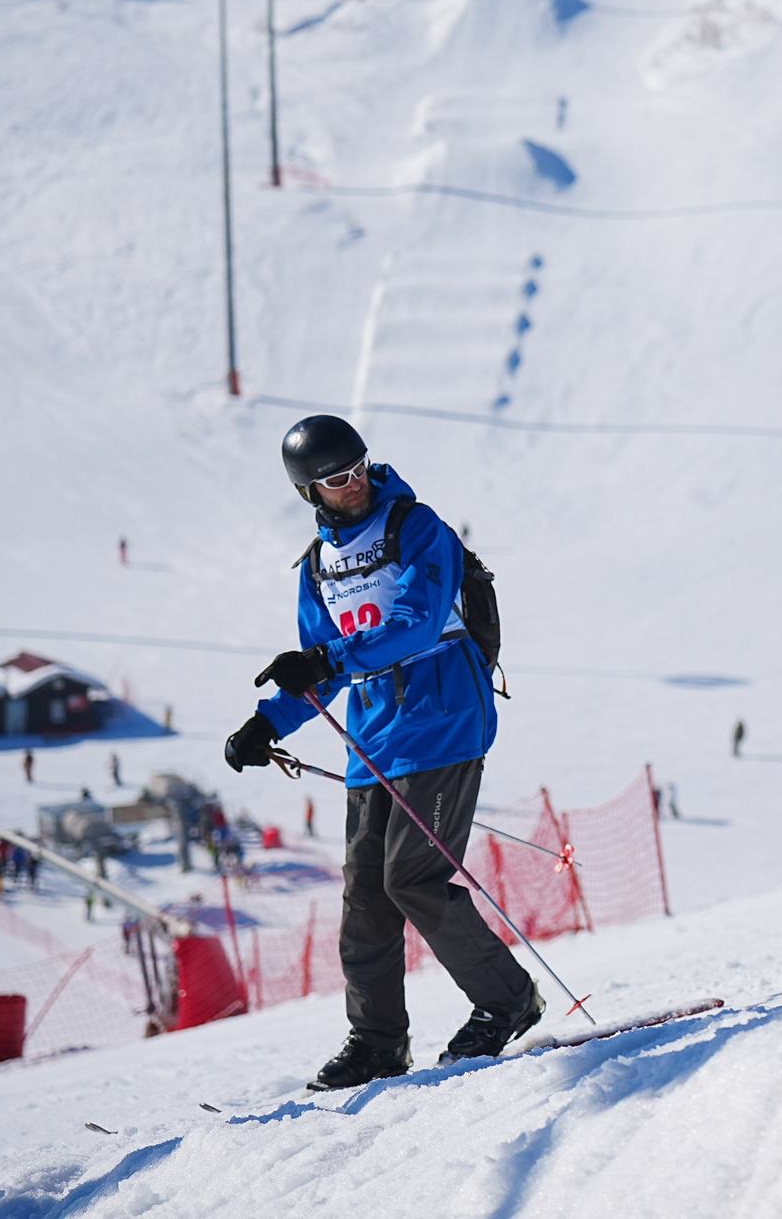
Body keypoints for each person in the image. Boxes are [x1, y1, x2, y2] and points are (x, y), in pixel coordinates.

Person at [224, 415, 541, 1091]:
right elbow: (320, 669)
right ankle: (377, 1043)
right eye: (336, 479)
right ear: (309, 491)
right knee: (366, 895)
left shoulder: (416, 527)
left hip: (445, 718)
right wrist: (267, 722)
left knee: (413, 878)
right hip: (373, 739)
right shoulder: (318, 565)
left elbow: (416, 623)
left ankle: (507, 1000)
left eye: (358, 468)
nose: (354, 483)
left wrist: (324, 659)